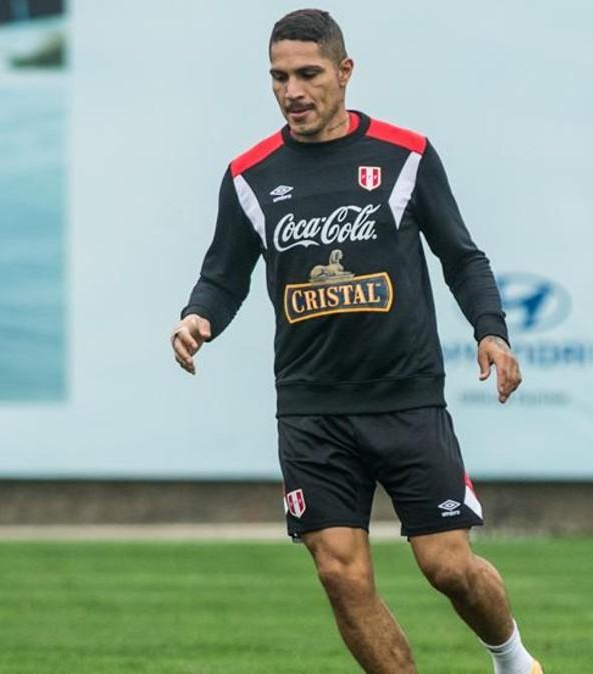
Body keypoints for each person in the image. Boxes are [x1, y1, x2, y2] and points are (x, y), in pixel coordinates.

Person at [171, 9, 539, 674]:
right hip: (311, 410)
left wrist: (491, 332)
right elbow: (223, 276)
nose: (292, 91)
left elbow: (462, 257)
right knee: (340, 574)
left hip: (407, 400)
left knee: (448, 567)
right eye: (279, 77)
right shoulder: (250, 176)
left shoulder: (405, 156)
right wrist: (199, 316)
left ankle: (514, 662)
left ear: (345, 72)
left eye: (308, 74)